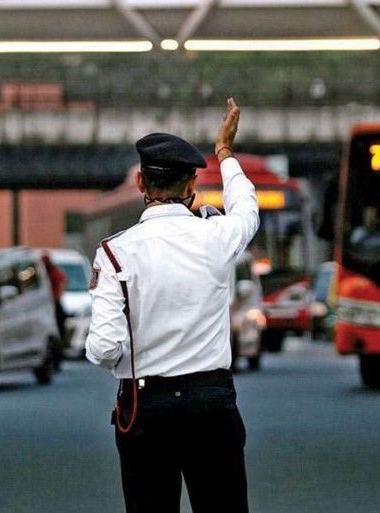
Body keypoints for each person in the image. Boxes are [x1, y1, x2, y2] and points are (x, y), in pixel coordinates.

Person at [86, 98, 256, 513]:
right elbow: (246, 207)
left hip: (146, 408)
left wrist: (129, 366)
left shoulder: (114, 254)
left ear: (141, 183)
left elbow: (103, 348)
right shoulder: (216, 238)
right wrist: (225, 153)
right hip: (211, 404)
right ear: (191, 186)